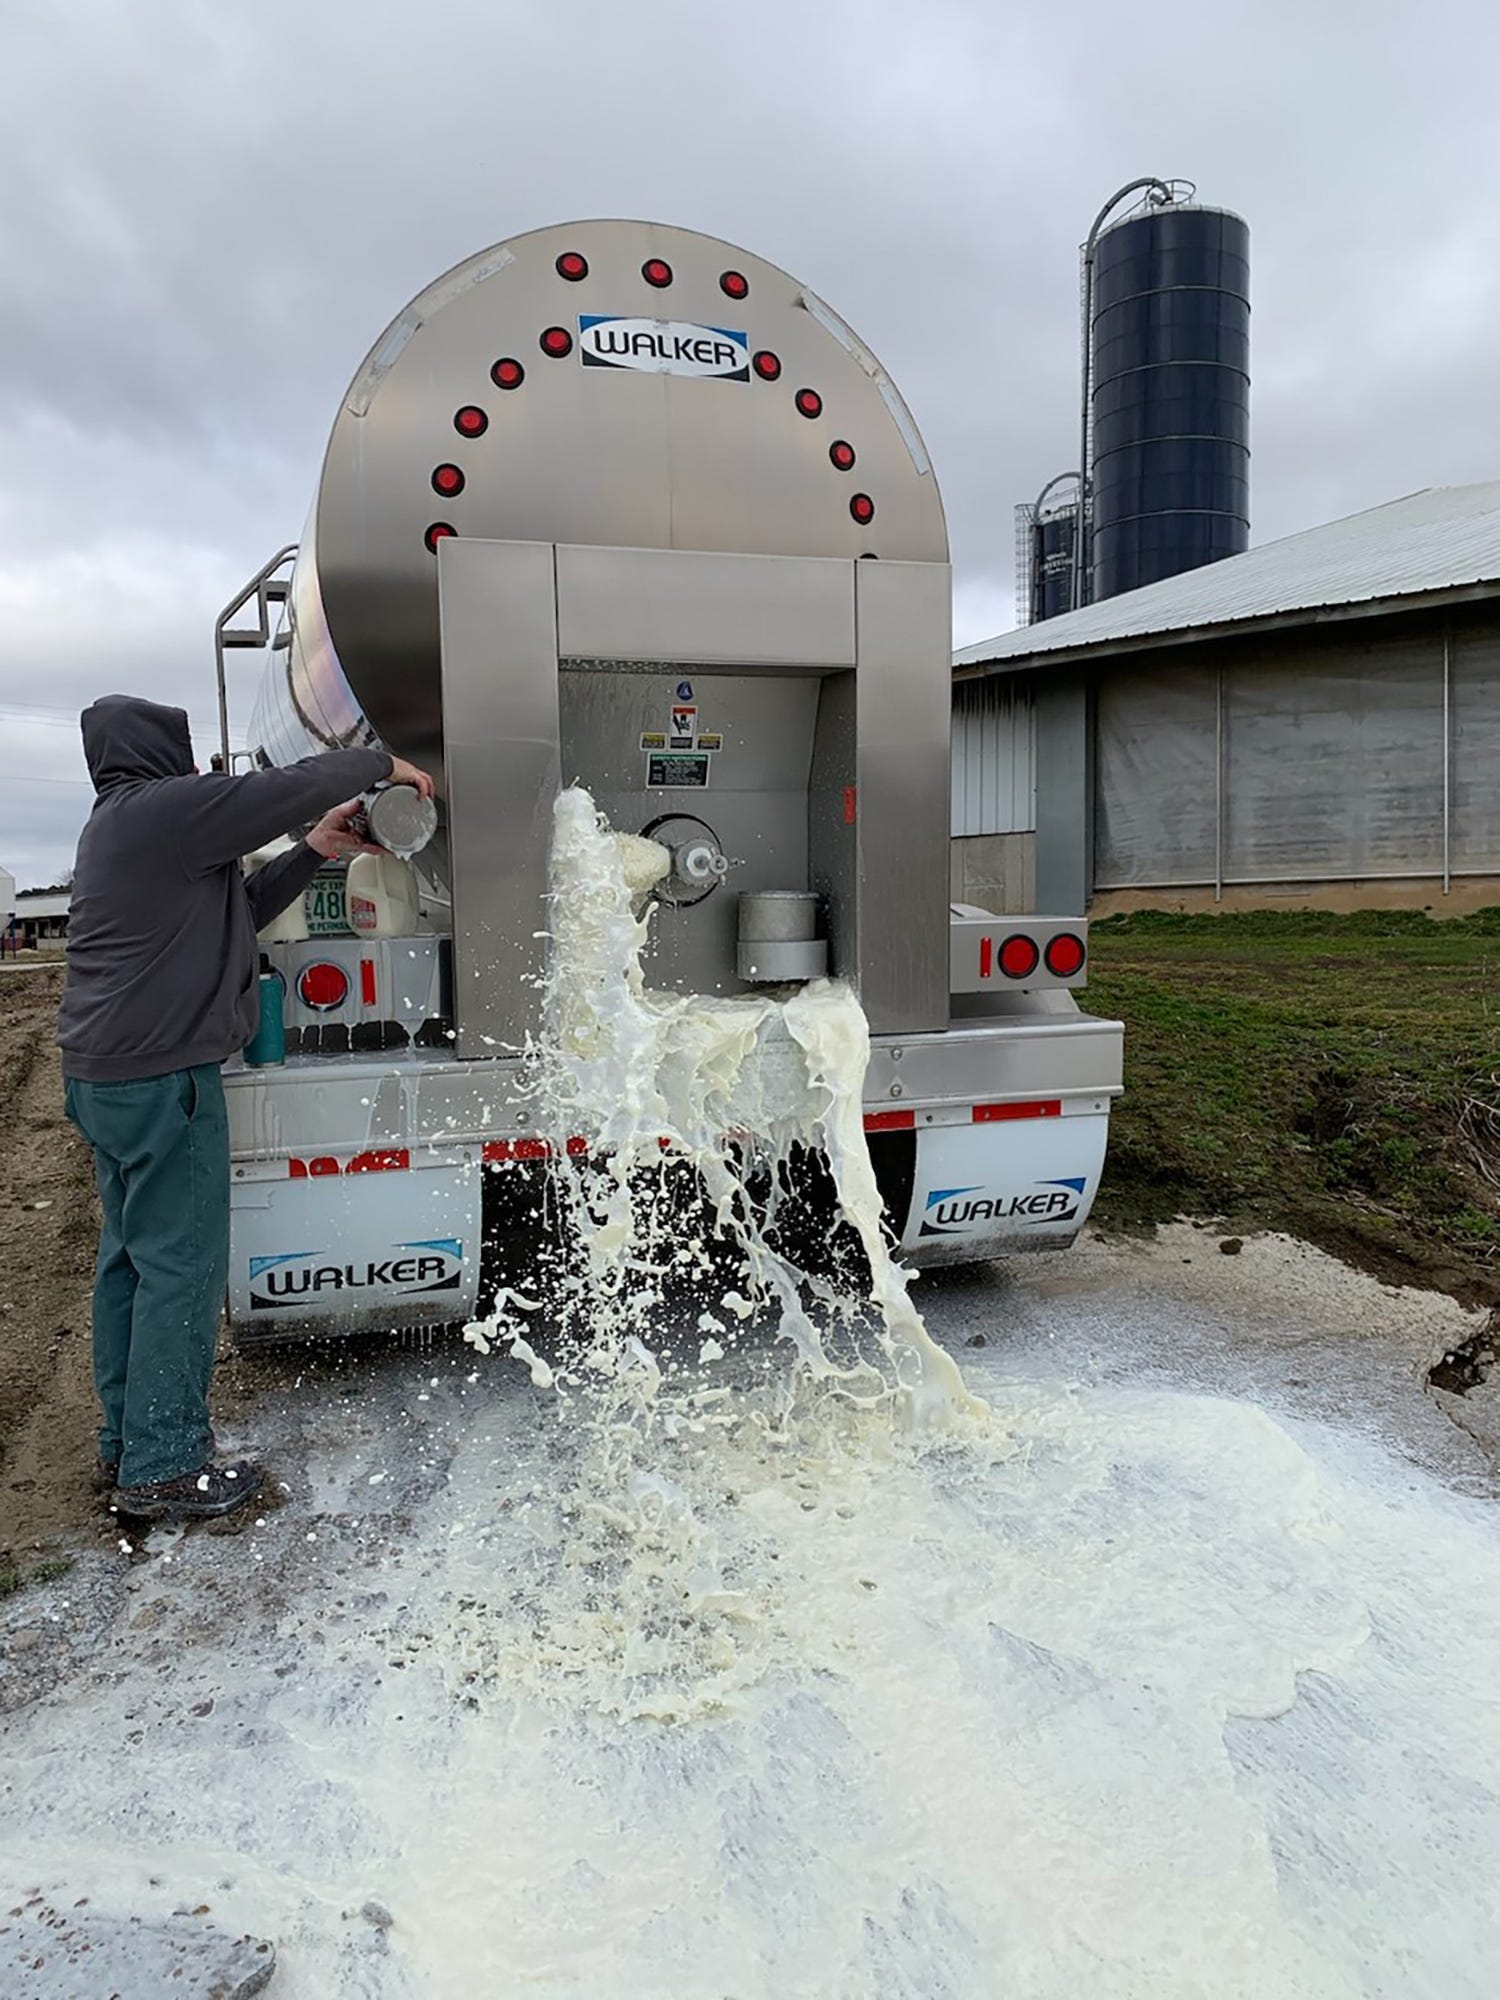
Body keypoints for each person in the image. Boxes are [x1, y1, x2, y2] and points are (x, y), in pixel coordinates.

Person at [57, 694, 435, 1523]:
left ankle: (127, 1443)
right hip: (163, 1084)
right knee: (180, 1269)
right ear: (163, 751)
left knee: (131, 1261)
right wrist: (385, 765)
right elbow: (288, 785)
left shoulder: (121, 827)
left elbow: (235, 917)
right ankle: (162, 1469)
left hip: (106, 1077)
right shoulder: (163, 812)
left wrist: (315, 849)